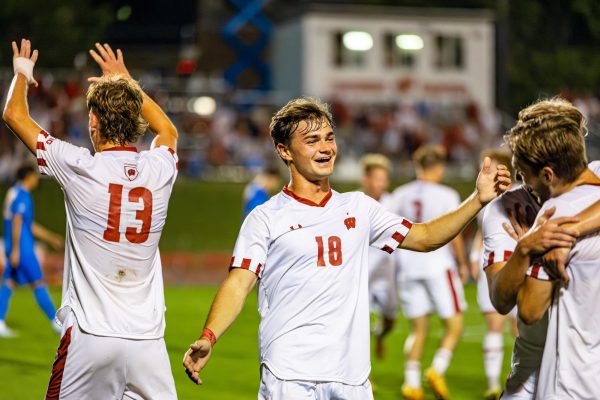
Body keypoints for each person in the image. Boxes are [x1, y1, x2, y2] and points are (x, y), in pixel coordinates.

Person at [182, 97, 511, 399]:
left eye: (329, 137)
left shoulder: (359, 207)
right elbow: (239, 284)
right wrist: (208, 336)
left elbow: (424, 237)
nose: (325, 147)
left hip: (351, 377)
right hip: (289, 374)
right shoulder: (266, 217)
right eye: (311, 141)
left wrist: (477, 200)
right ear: (284, 151)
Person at [3, 39, 178, 399]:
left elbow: (14, 116)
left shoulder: (79, 167)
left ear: (94, 122)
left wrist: (22, 72)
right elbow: (168, 132)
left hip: (91, 338)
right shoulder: (159, 169)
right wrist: (127, 82)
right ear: (135, 123)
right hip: (149, 343)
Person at [501, 98, 600, 399]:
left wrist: (529, 249)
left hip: (571, 382)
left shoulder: (553, 217)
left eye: (523, 174)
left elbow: (530, 312)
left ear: (547, 174)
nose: (521, 183)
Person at [390, 145, 469, 400]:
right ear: (439, 167)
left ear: (417, 166)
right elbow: (453, 234)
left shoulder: (399, 194)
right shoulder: (446, 194)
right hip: (438, 264)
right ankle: (436, 369)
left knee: (418, 329)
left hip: (408, 266)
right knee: (454, 324)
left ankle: (412, 383)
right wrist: (463, 263)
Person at [470, 149, 518, 400]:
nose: (483, 171)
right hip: (492, 263)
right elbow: (482, 231)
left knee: (522, 328)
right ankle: (491, 383)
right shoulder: (483, 196)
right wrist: (472, 256)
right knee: (494, 323)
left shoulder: (524, 194)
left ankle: (519, 381)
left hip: (519, 264)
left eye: (489, 167)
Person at [0, 164, 63, 338]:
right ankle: (55, 322)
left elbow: (29, 225)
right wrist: (15, 250)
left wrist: (50, 237)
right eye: (35, 176)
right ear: (28, 177)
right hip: (23, 249)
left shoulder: (15, 193)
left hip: (15, 247)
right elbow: (18, 222)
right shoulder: (22, 195)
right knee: (38, 283)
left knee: (8, 283)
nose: (37, 179)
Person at [359, 153, 397, 359]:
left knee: (390, 320)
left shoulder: (394, 203)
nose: (382, 183)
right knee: (359, 326)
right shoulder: (355, 204)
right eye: (377, 178)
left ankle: (380, 335)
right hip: (362, 273)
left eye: (384, 179)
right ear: (366, 179)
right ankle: (366, 375)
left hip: (386, 273)